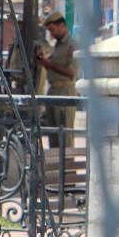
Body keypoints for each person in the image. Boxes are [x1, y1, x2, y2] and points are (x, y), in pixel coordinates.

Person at [37, 10, 78, 147]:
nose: (52, 34)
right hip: (53, 90)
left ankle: (67, 167)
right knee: (53, 135)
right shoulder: (57, 46)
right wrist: (44, 63)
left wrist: (50, 65)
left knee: (64, 134)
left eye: (53, 30)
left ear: (62, 26)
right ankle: (55, 168)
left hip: (65, 91)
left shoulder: (73, 45)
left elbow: (72, 72)